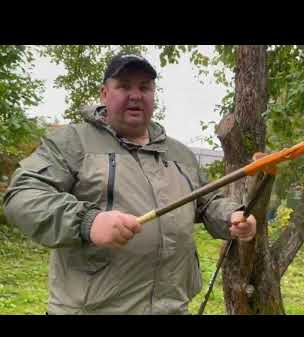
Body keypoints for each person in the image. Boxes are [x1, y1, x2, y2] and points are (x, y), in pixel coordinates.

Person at [3, 53, 256, 315]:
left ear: (153, 95)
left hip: (172, 309)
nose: (135, 95)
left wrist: (231, 216)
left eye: (144, 87)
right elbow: (22, 195)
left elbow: (207, 202)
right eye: (124, 86)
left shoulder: (180, 154)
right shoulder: (73, 142)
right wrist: (87, 222)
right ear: (104, 93)